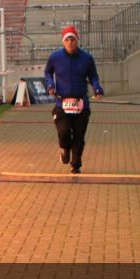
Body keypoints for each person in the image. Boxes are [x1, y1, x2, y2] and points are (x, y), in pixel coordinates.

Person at [44, 25, 103, 174]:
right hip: (62, 102)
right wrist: (50, 85)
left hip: (81, 103)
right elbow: (48, 72)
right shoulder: (55, 57)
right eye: (67, 39)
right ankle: (64, 149)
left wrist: (97, 87)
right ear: (63, 42)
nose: (70, 42)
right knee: (63, 131)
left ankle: (75, 165)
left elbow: (93, 76)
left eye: (73, 39)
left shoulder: (87, 58)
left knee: (79, 136)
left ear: (77, 41)